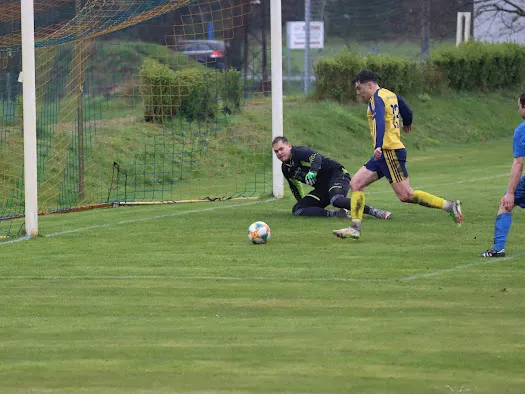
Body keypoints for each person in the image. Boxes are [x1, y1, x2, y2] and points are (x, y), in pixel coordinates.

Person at [333, 69, 463, 240]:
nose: (358, 93)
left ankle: (449, 206)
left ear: (369, 85)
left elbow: (380, 120)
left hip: (389, 152)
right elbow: (407, 110)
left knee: (406, 195)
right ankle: (355, 227)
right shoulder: (390, 95)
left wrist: (378, 145)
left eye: (359, 89)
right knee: (356, 183)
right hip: (384, 153)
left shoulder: (376, 98)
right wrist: (407, 122)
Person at [272, 136, 391, 220]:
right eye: (276, 151)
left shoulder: (299, 152)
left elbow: (316, 157)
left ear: (289, 146)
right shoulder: (285, 169)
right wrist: (303, 202)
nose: (279, 153)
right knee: (298, 209)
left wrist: (313, 171)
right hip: (322, 188)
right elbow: (295, 186)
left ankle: (375, 212)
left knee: (336, 200)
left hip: (337, 174)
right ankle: (336, 214)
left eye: (281, 149)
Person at [479, 93, 525, 257]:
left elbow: (519, 163)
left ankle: (498, 249)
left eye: (519, 106)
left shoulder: (522, 131)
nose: (518, 109)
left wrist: (511, 193)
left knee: (505, 204)